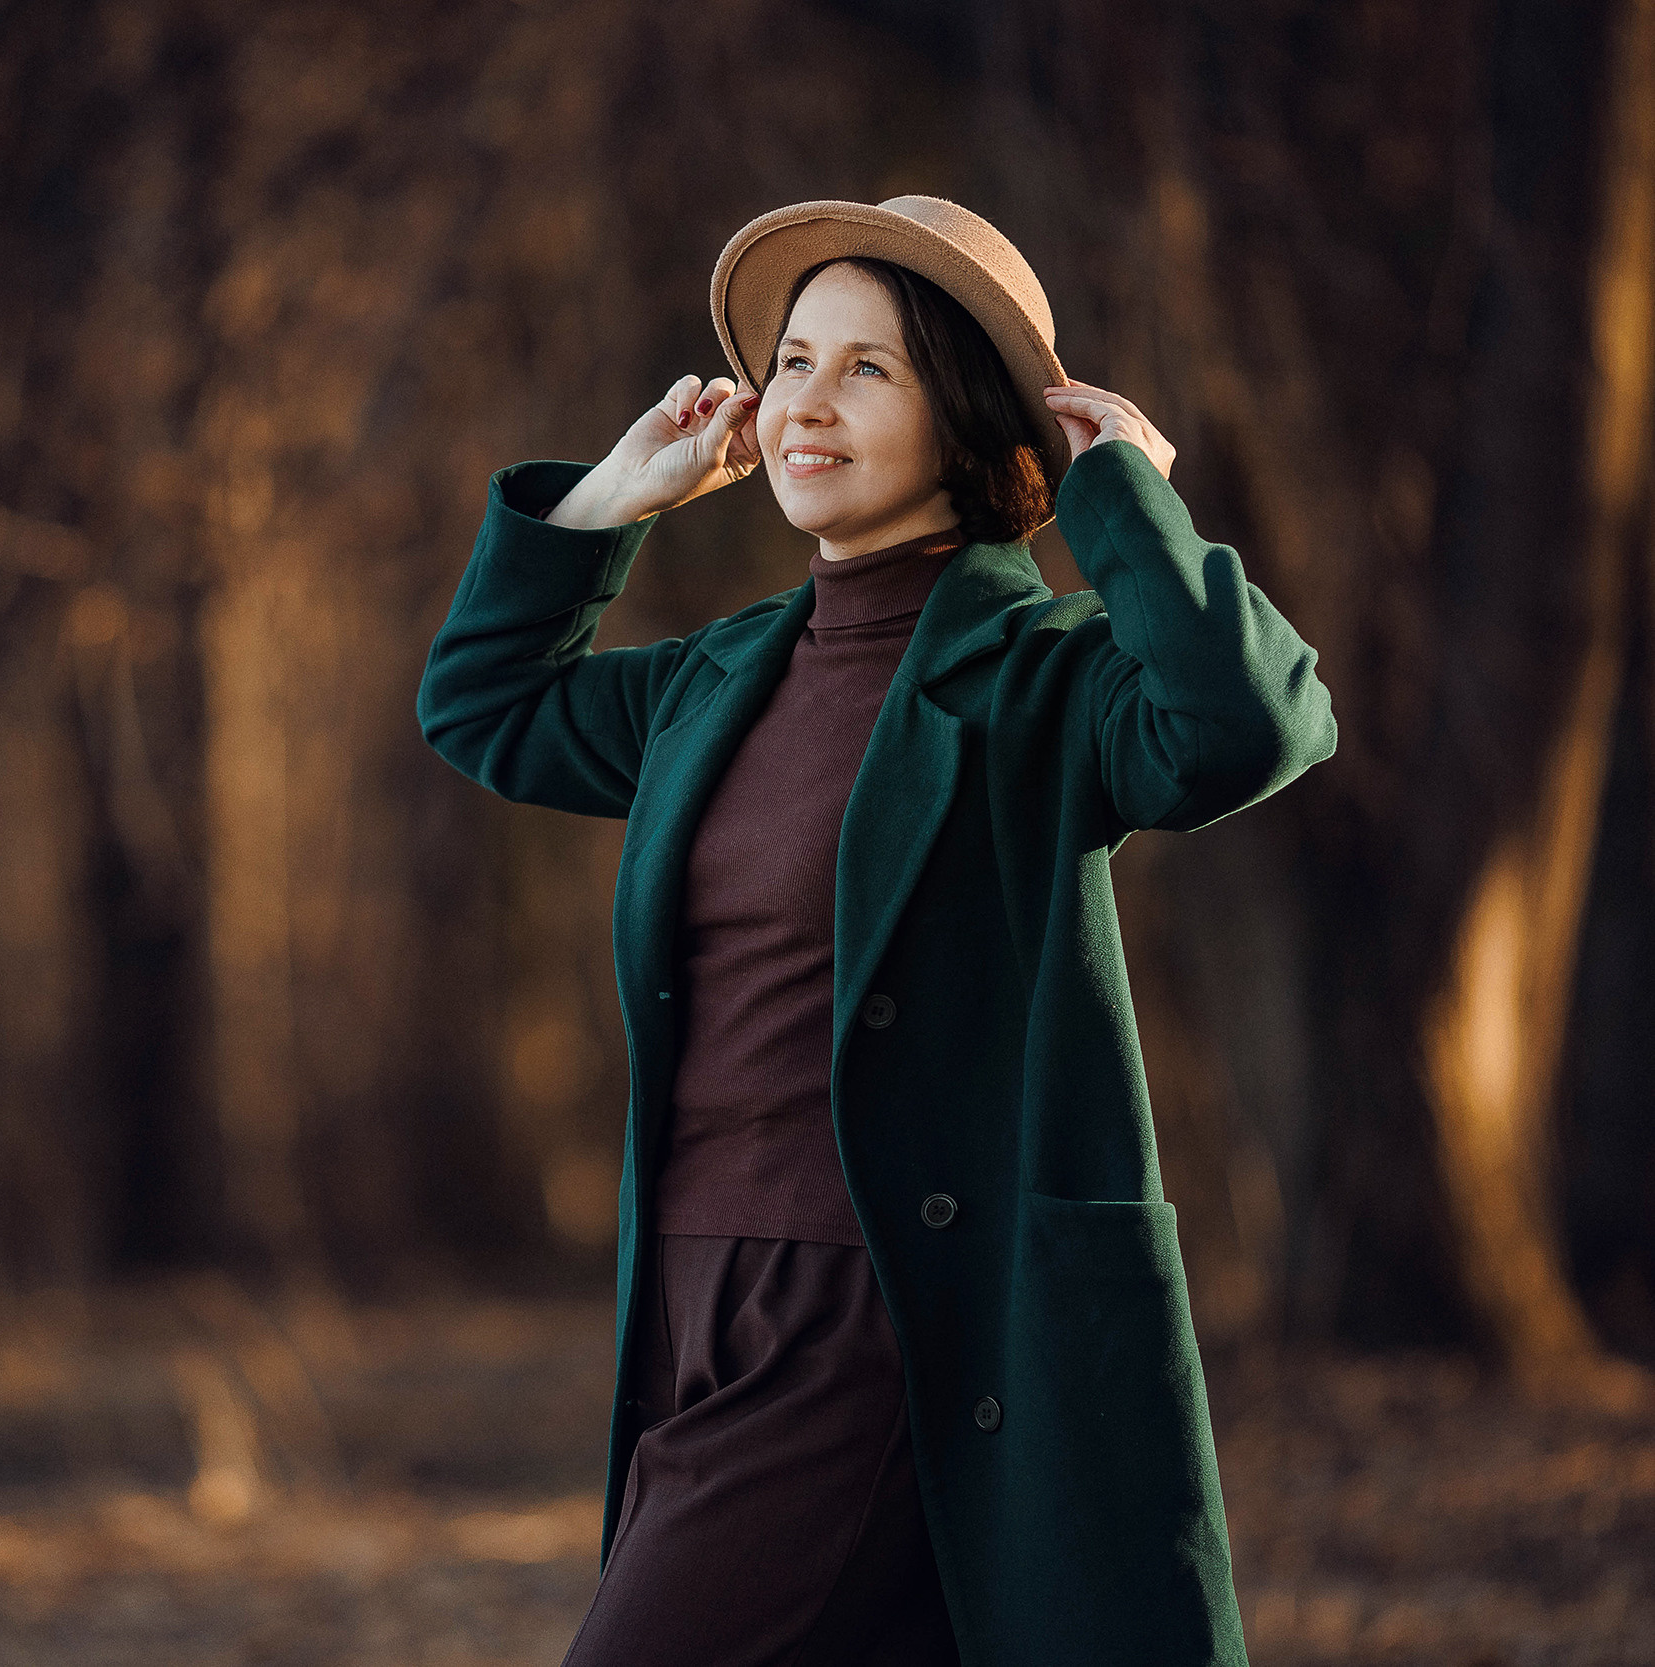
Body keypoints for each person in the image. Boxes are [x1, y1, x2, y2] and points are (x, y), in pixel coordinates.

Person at [417, 196, 1337, 1666]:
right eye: (793, 361)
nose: (807, 404)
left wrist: (1123, 502)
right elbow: (485, 709)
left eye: (869, 370)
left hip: (885, 1309)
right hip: (689, 1303)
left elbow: (1251, 724)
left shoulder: (1043, 680)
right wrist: (611, 502)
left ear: (965, 417)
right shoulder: (717, 680)